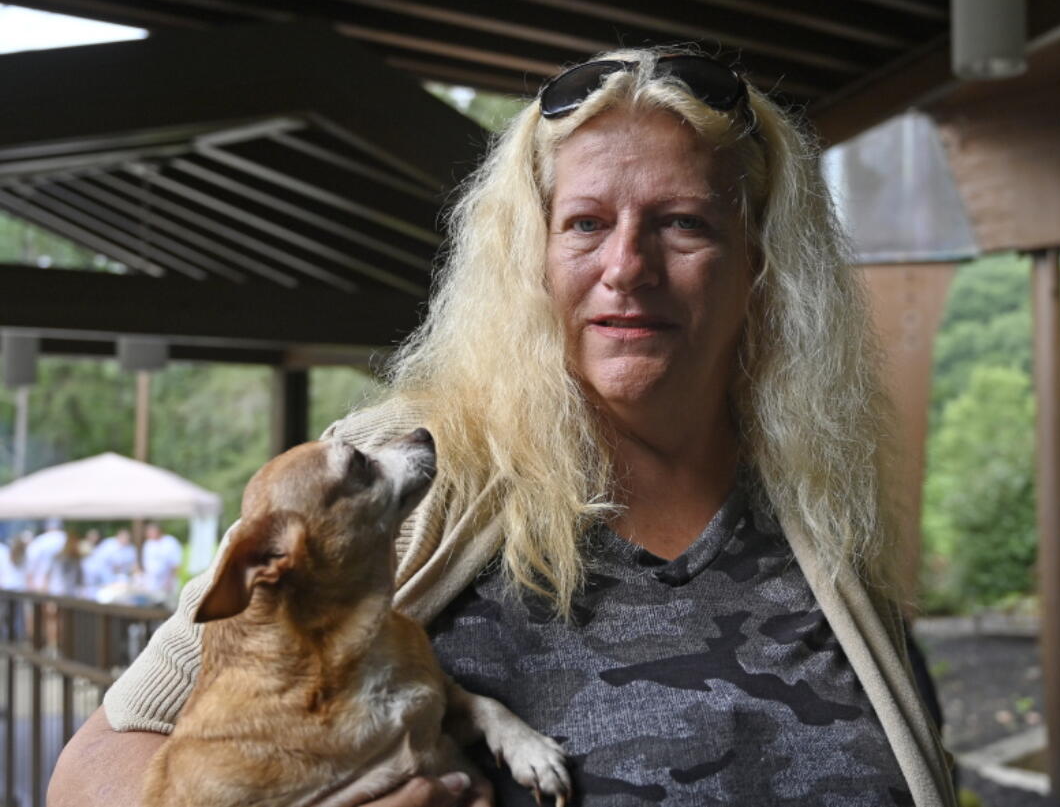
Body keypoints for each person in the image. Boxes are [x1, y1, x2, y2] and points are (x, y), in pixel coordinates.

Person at [49, 48, 956, 806]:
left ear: (758, 260)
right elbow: (92, 771)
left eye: (682, 224)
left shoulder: (818, 507)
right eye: (587, 223)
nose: (626, 267)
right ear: (532, 254)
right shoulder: (401, 477)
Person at [137, 523, 182, 603]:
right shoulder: (148, 544)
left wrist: (170, 580)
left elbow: (175, 563)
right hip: (152, 583)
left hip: (167, 582)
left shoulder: (170, 542)